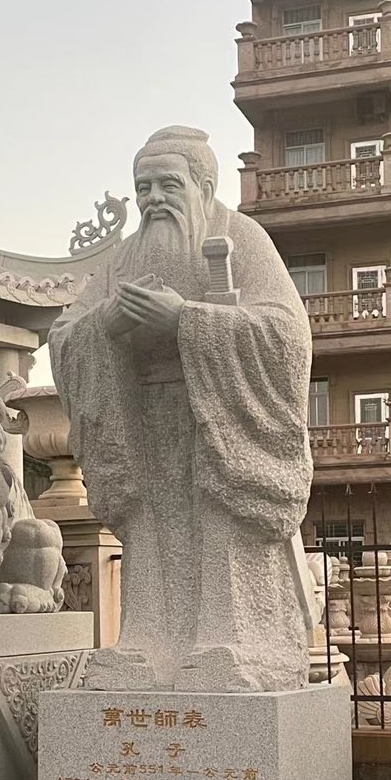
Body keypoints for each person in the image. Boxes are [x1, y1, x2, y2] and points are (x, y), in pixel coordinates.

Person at [49, 126, 313, 692]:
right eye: (143, 187)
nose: (153, 199)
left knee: (220, 527)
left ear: (205, 187)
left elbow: (287, 334)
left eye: (168, 185)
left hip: (221, 422)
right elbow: (67, 333)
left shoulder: (242, 239)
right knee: (150, 533)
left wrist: (186, 321)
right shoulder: (124, 258)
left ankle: (232, 643)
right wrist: (105, 326)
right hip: (144, 420)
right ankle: (144, 645)